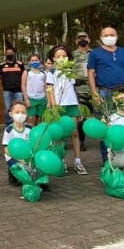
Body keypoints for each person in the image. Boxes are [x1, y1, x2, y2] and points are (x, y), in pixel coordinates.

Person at [87, 27, 124, 162]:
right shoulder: (95, 53)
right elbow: (91, 73)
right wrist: (94, 93)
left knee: (123, 122)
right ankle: (107, 160)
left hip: (123, 93)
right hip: (104, 92)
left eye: (112, 34)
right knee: (106, 125)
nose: (109, 37)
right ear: (101, 37)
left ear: (117, 36)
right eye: (106, 35)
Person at [47, 45, 87, 175]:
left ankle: (77, 162)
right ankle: (62, 161)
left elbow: (73, 90)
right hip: (59, 107)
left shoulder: (71, 72)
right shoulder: (51, 73)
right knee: (60, 135)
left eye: (64, 56)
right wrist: (54, 107)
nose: (61, 58)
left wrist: (79, 107)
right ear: (53, 59)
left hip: (72, 105)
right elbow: (50, 90)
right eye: (58, 56)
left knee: (74, 133)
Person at [3, 101, 32, 186]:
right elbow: (6, 149)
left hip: (27, 155)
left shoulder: (29, 129)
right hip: (13, 156)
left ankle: (41, 182)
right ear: (11, 114)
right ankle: (12, 173)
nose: (20, 115)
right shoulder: (9, 130)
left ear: (26, 114)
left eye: (23, 112)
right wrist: (19, 159)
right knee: (19, 168)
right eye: (17, 112)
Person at [72, 31, 93, 151]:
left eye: (84, 37)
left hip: (95, 88)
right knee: (81, 116)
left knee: (102, 115)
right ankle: (81, 141)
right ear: (76, 41)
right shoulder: (72, 55)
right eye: (79, 38)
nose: (82, 40)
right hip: (79, 89)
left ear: (89, 40)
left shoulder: (95, 53)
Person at [0, 46, 25, 126]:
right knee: (7, 108)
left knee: (19, 107)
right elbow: (0, 76)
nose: (9, 54)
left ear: (14, 54)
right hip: (7, 89)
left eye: (11, 53)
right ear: (5, 55)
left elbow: (24, 75)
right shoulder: (2, 65)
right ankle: (8, 124)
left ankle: (19, 123)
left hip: (18, 90)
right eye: (8, 53)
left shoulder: (20, 64)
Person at [21, 54, 50, 125]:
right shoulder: (27, 72)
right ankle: (30, 134)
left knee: (41, 119)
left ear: (39, 61)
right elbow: (23, 85)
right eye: (32, 60)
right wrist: (26, 99)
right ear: (29, 62)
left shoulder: (43, 73)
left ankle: (40, 135)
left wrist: (48, 100)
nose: (34, 62)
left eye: (36, 60)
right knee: (30, 119)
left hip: (42, 99)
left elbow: (45, 87)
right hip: (31, 99)